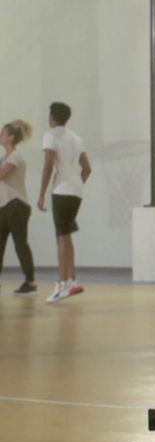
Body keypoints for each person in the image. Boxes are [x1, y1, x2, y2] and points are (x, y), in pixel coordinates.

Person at [37, 101, 90, 303]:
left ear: (53, 117)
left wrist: (42, 194)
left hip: (61, 190)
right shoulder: (76, 137)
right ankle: (72, 280)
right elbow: (87, 168)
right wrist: (76, 185)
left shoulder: (50, 135)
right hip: (76, 190)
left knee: (60, 236)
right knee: (66, 235)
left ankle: (61, 284)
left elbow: (48, 165)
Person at [0, 119, 38, 295]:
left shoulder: (15, 157)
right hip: (4, 207)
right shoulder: (4, 158)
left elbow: (2, 175)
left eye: (3, 133)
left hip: (17, 205)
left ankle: (30, 283)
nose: (0, 136)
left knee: (20, 244)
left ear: (10, 137)